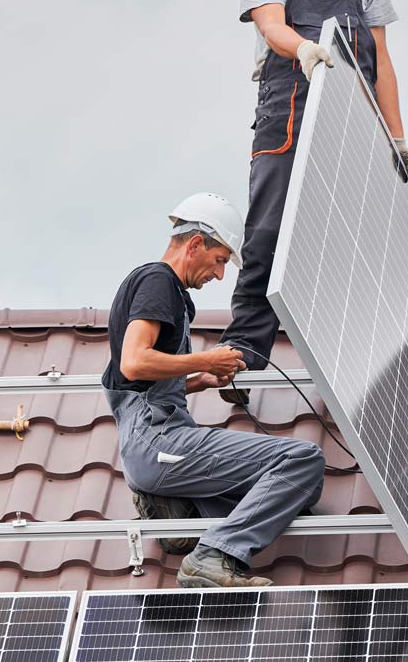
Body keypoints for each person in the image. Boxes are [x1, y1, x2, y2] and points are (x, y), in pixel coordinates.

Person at [219, 0, 408, 402]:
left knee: (348, 247)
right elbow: (272, 26)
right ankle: (243, 359)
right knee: (267, 237)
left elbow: (382, 64)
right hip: (286, 120)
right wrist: (302, 49)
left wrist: (395, 137)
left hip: (352, 124)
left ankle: (358, 375)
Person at [102, 192, 326, 588]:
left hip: (153, 444)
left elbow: (135, 380)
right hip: (159, 441)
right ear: (194, 244)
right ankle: (213, 555)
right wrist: (207, 360)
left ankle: (177, 510)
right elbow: (134, 362)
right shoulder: (159, 281)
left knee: (293, 498)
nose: (220, 275)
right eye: (221, 260)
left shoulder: (164, 292)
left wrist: (197, 381)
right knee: (302, 461)